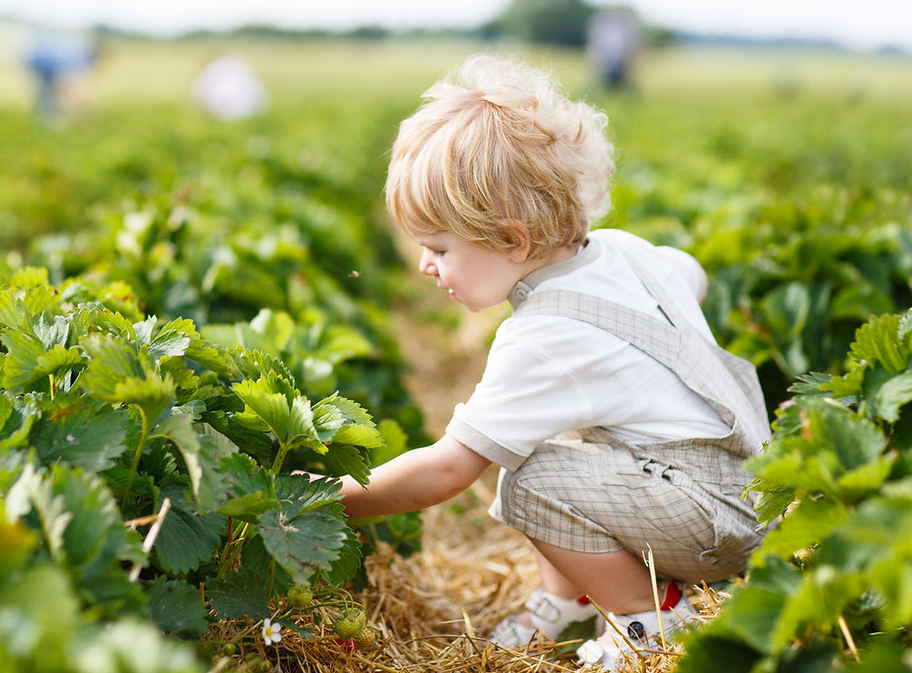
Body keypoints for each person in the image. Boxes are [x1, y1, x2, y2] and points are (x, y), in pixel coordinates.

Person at [330, 54, 771, 671]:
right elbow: (689, 277)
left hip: (708, 526)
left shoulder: (542, 338)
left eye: (438, 248)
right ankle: (564, 599)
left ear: (512, 240)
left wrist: (324, 498)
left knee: (529, 478)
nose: (427, 267)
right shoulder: (626, 251)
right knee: (551, 431)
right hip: (746, 490)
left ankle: (648, 619)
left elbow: (447, 472)